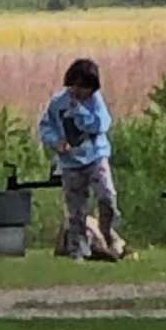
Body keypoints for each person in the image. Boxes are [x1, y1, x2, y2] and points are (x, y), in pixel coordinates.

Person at [37, 56, 125, 260]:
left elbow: (100, 125)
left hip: (96, 157)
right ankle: (79, 251)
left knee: (107, 196)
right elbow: (45, 126)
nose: (79, 91)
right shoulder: (58, 103)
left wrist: (80, 111)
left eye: (85, 88)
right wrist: (56, 142)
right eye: (76, 86)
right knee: (76, 209)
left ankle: (108, 232)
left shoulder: (95, 103)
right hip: (70, 163)